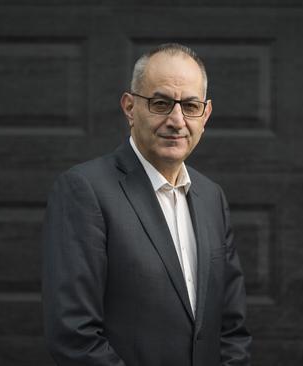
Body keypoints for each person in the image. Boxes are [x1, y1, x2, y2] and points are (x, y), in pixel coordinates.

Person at [42, 43, 251, 366]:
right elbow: (74, 335)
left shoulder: (211, 197)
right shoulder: (85, 190)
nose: (177, 120)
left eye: (191, 106)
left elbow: (232, 329)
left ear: (205, 114)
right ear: (129, 107)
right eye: (161, 103)